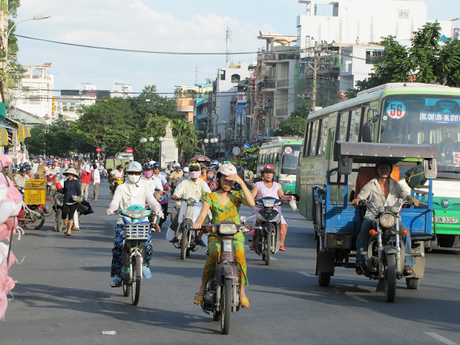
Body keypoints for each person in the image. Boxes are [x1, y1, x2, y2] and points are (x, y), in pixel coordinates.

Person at [192, 163, 255, 308]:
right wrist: (198, 223)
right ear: (219, 179)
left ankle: (242, 291)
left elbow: (251, 203)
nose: (227, 183)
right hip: (216, 235)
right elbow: (202, 215)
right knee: (214, 254)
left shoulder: (237, 196)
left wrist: (241, 182)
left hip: (235, 235)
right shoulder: (211, 197)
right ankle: (202, 288)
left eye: (231, 181)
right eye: (225, 180)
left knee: (240, 256)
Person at [352, 158, 419, 276]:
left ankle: (408, 263)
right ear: (377, 169)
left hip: (392, 218)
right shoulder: (371, 184)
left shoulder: (395, 184)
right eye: (382, 168)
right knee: (364, 230)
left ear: (390, 170)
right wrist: (358, 199)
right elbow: (362, 195)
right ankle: (360, 259)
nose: (384, 170)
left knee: (405, 233)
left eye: (387, 168)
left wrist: (410, 199)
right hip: (373, 216)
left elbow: (405, 194)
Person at [106, 161, 163, 287]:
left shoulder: (144, 187)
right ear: (126, 174)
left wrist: (157, 209)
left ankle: (144, 265)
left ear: (140, 174)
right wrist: (112, 208)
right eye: (131, 173)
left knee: (148, 245)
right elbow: (115, 201)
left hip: (142, 222)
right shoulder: (121, 188)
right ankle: (116, 275)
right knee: (118, 247)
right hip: (124, 222)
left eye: (136, 173)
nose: (133, 175)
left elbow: (152, 201)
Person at [251, 164, 291, 251]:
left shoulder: (277, 185)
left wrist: (289, 198)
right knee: (255, 225)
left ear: (273, 175)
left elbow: (282, 196)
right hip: (260, 209)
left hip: (275, 210)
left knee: (283, 225)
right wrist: (250, 199)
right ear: (263, 174)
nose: (268, 175)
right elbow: (252, 196)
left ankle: (281, 244)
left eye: (270, 173)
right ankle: (253, 243)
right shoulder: (258, 185)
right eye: (266, 173)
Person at [170, 162, 211, 244]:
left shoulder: (203, 183)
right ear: (189, 171)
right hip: (184, 206)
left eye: (196, 170)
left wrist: (207, 198)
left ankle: (199, 237)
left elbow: (208, 193)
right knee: (174, 213)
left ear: (199, 171)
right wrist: (175, 196)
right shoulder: (184, 183)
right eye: (192, 170)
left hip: (199, 207)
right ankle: (176, 235)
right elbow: (178, 192)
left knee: (206, 218)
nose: (193, 172)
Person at [60, 168, 81, 236]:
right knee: (64, 214)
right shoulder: (66, 182)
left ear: (73, 175)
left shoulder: (76, 182)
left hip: (73, 201)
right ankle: (67, 226)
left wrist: (78, 199)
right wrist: (58, 189)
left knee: (71, 215)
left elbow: (79, 192)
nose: (70, 175)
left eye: (71, 174)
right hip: (66, 200)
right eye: (69, 174)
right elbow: (64, 191)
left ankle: (69, 230)